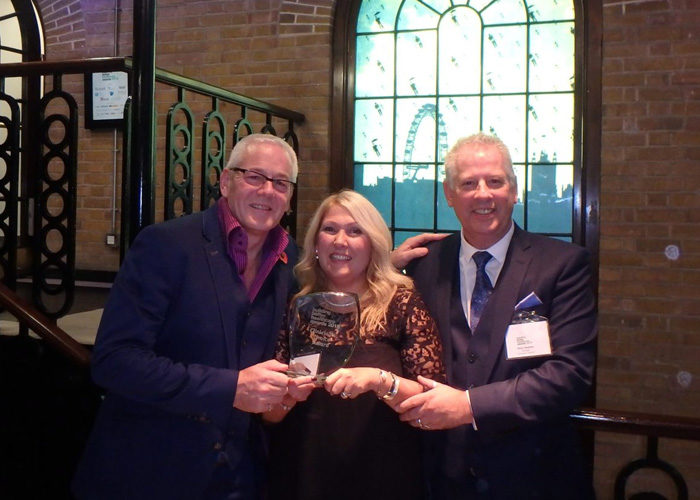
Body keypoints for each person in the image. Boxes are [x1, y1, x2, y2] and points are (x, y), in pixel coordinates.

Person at [72, 134, 313, 499]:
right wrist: (231, 388)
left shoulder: (290, 259)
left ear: (290, 197)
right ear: (226, 181)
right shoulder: (166, 245)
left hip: (241, 475)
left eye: (281, 183)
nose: (268, 191)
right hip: (150, 471)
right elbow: (115, 361)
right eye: (254, 177)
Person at [394, 132, 597, 499]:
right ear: (449, 194)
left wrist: (467, 406)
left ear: (514, 190)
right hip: (441, 478)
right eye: (468, 183)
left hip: (535, 478)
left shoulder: (563, 265)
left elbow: (570, 374)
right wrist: (382, 269)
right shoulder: (422, 267)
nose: (483, 194)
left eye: (495, 181)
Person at [266, 189, 445, 500]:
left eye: (354, 231)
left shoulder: (401, 302)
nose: (340, 241)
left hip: (383, 472)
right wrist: (286, 397)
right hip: (304, 471)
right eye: (330, 229)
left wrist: (379, 381)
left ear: (372, 242)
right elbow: (269, 415)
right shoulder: (298, 304)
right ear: (316, 242)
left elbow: (434, 400)